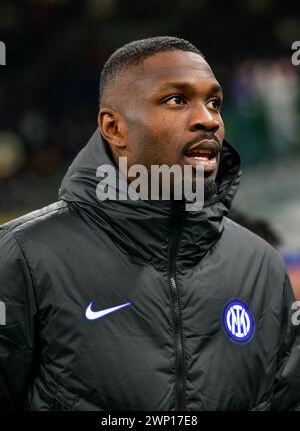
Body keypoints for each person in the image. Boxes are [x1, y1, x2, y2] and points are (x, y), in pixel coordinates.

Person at [0, 36, 299, 411]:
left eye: (214, 102)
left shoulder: (261, 265)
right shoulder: (23, 257)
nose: (208, 119)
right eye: (176, 100)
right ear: (114, 128)